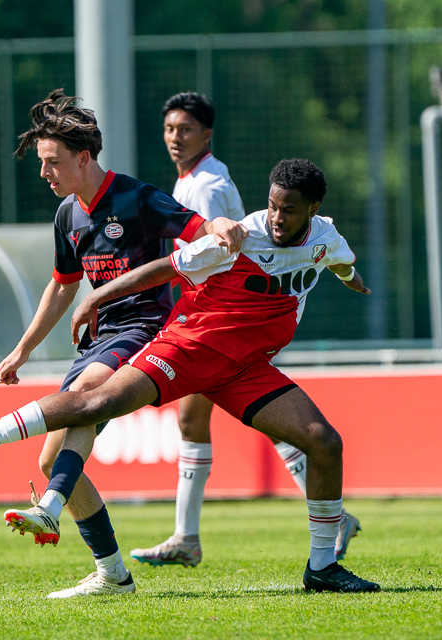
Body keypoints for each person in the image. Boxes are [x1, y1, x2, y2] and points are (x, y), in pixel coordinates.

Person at [0, 158, 381, 595]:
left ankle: (322, 568)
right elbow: (167, 267)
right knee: (98, 403)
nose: (277, 218)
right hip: (188, 348)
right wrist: (99, 297)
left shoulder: (326, 237)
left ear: (312, 208)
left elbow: (339, 261)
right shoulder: (242, 238)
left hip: (245, 368)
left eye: (288, 210)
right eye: (272, 206)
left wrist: (353, 279)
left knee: (325, 442)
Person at [0, 89, 242, 599]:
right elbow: (62, 285)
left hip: (148, 330)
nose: (44, 173)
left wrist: (221, 225)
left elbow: (196, 225)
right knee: (50, 460)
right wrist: (23, 349)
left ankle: (23, 484)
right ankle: (113, 573)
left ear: (83, 158)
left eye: (51, 162)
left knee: (85, 398)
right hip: (101, 340)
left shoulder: (138, 198)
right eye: (41, 162)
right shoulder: (67, 216)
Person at [129, 92, 361, 569]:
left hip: (225, 318)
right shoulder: (195, 178)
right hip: (218, 315)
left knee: (258, 419)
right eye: (170, 129)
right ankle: (186, 537)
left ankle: (189, 538)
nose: (176, 138)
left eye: (186, 130)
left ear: (206, 135)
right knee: (207, 420)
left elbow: (219, 252)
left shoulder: (207, 187)